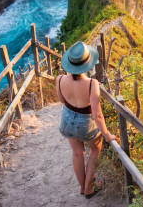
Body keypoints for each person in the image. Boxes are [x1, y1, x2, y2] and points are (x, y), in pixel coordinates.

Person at [56, 41, 116, 198]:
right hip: (85, 124)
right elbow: (97, 115)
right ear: (86, 64)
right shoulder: (92, 84)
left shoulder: (60, 79)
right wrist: (107, 134)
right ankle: (89, 189)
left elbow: (62, 101)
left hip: (67, 120)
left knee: (77, 153)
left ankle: (83, 187)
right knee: (95, 149)